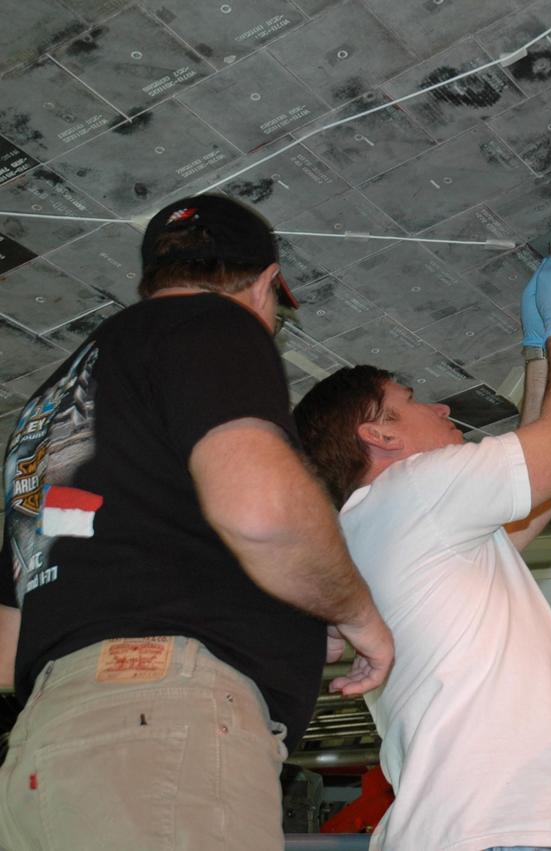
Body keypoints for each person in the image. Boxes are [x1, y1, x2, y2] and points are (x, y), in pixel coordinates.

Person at [0, 194, 394, 850]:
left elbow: (12, 639)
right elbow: (261, 511)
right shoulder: (215, 324)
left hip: (45, 752)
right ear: (267, 283)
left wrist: (290, 614)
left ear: (147, 280)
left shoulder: (50, 410)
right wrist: (358, 614)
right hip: (161, 728)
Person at [293, 245, 551, 851]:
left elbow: (539, 487)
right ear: (380, 435)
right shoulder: (417, 491)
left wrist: (538, 352)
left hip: (467, 830)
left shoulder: (373, 536)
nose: (440, 407)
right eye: (413, 401)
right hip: (493, 831)